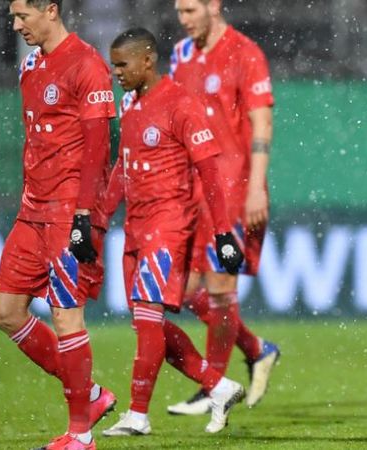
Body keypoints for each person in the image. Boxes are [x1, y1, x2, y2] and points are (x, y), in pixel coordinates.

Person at [99, 27, 248, 436]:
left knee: (148, 319)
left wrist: (223, 233)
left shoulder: (181, 103)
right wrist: (99, 218)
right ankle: (218, 385)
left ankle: (138, 415)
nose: (117, 73)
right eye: (113, 66)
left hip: (168, 226)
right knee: (149, 324)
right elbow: (122, 170)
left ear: (148, 60)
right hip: (136, 227)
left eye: (122, 65)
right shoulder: (129, 104)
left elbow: (210, 172)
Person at [0, 1, 117, 448]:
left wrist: (85, 215)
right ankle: (93, 397)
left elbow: (98, 147)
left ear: (50, 9)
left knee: (66, 316)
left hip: (68, 213)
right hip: (32, 211)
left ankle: (80, 435)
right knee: (6, 313)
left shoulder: (87, 65)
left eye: (23, 15)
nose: (16, 24)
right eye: (13, 17)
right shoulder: (30, 65)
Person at [166, 0, 280, 415]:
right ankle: (255, 350)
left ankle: (216, 385)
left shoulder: (246, 54)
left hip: (233, 188)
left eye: (191, 9)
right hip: (190, 188)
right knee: (184, 291)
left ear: (214, 5)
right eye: (179, 11)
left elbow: (262, 122)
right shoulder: (180, 55)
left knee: (219, 288)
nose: (184, 19)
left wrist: (256, 189)